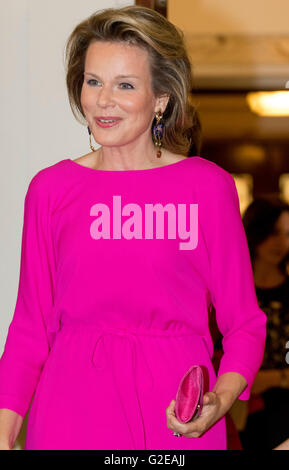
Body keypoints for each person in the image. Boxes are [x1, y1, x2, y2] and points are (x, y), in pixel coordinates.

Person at [0, 6, 266, 450]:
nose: (103, 100)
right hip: (70, 414)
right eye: (93, 81)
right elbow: (29, 328)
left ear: (161, 97)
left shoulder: (208, 188)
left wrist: (219, 400)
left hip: (176, 417)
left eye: (125, 85)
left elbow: (245, 324)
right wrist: (5, 433)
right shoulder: (51, 190)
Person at [239, 197, 289, 450]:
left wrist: (273, 378)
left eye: (286, 235)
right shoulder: (232, 291)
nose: (280, 243)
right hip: (236, 409)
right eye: (272, 233)